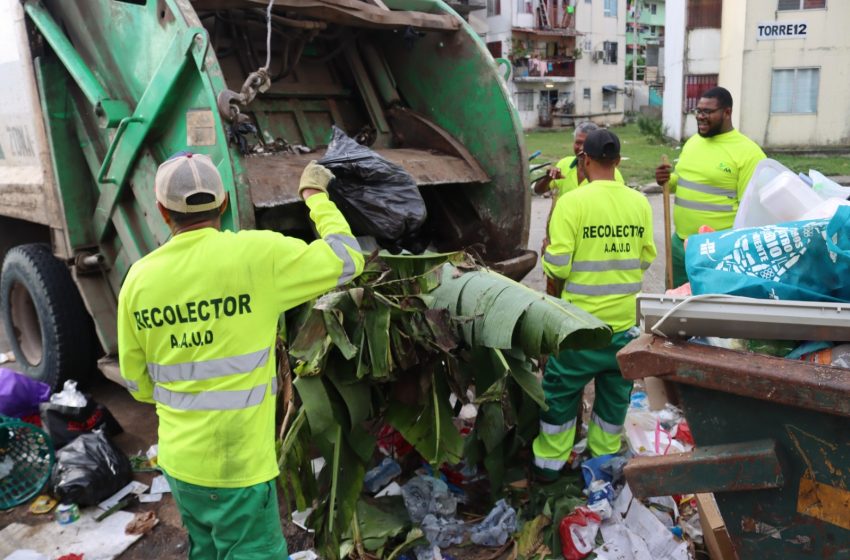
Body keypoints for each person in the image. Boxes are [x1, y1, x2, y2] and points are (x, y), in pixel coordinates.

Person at [117, 153, 364, 559]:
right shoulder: (259, 256)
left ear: (162, 211)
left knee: (207, 551)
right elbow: (347, 259)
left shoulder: (138, 280)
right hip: (240, 469)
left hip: (180, 465)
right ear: (225, 202)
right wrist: (314, 196)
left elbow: (138, 384)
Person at [532, 129, 656, 481]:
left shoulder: (573, 202)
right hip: (623, 329)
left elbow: (559, 267)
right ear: (617, 161)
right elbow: (646, 257)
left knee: (559, 393)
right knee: (615, 399)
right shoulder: (638, 202)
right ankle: (602, 465)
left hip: (579, 329)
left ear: (584, 161)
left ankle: (549, 466)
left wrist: (547, 253)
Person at [655, 86, 766, 287]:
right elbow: (680, 182)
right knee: (674, 307)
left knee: (708, 311)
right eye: (698, 111)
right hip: (681, 246)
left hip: (718, 251)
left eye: (708, 112)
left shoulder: (748, 153)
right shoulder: (692, 143)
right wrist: (666, 180)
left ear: (727, 112)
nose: (701, 117)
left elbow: (751, 212)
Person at [534, 122, 626, 295]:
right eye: (577, 142)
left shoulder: (613, 177)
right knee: (554, 297)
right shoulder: (564, 165)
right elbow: (538, 190)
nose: (580, 148)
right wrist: (547, 178)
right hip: (560, 246)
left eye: (585, 143)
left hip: (588, 249)